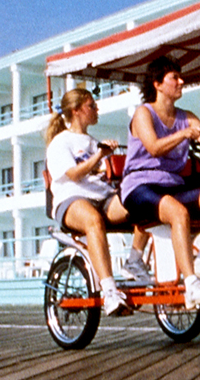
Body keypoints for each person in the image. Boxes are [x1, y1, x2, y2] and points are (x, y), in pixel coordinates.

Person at [120, 56, 200, 310]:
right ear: (158, 84)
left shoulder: (186, 116)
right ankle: (191, 284)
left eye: (180, 77)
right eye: (174, 78)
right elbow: (155, 147)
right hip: (140, 186)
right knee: (178, 213)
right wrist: (183, 133)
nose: (181, 81)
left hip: (172, 185)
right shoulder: (143, 113)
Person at [44, 88, 136, 316]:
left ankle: (136, 263)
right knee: (93, 221)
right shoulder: (60, 143)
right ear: (76, 111)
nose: (97, 110)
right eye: (91, 106)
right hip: (71, 198)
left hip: (101, 197)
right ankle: (110, 292)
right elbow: (74, 175)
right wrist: (99, 156)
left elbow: (104, 174)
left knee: (142, 203)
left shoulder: (94, 142)